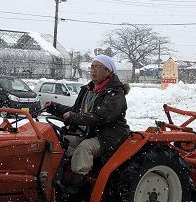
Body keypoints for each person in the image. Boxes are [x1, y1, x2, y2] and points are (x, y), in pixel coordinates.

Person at [43, 55, 130, 194]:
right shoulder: (87, 90)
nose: (93, 70)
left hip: (108, 137)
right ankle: (55, 179)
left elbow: (100, 116)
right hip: (87, 133)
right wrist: (54, 107)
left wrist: (74, 117)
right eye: (92, 67)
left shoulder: (115, 93)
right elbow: (74, 111)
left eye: (97, 67)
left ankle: (78, 186)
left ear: (108, 71)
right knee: (58, 141)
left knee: (84, 148)